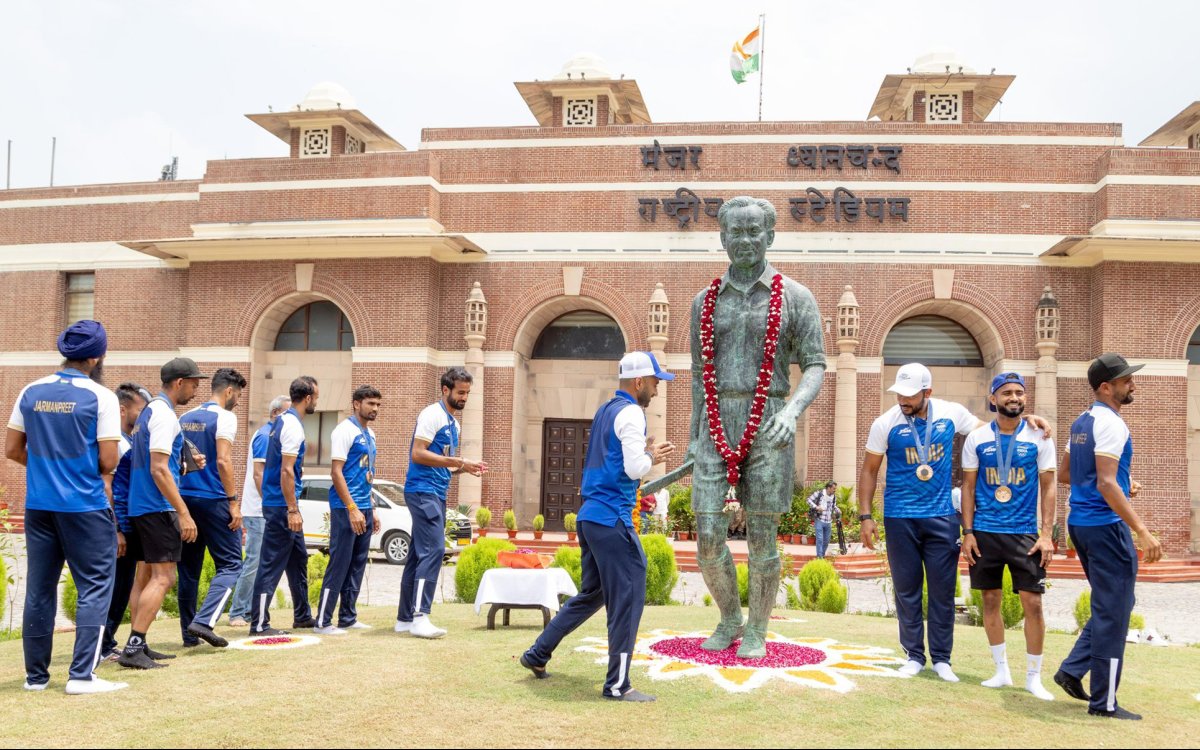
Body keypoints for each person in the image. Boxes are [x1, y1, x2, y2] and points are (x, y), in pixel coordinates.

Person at [641, 196, 826, 660]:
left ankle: (758, 628)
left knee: (763, 537)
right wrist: (693, 436)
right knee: (707, 536)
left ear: (770, 235)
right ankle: (728, 618)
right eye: (736, 232)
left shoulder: (796, 297)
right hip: (716, 424)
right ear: (722, 237)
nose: (745, 240)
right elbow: (701, 375)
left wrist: (792, 412)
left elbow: (817, 365)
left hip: (769, 422)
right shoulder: (703, 302)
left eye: (753, 231)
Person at [857, 362, 1050, 682]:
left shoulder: (951, 413)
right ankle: (914, 656)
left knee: (943, 590)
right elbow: (869, 470)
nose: (902, 400)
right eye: (899, 394)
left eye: (909, 394)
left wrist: (1025, 421)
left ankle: (942, 659)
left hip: (942, 516)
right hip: (899, 516)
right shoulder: (885, 423)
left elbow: (993, 430)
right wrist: (866, 516)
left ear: (927, 392)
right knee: (907, 590)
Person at [520, 352, 674, 701]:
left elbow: (616, 458)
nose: (657, 389)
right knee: (628, 598)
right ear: (638, 382)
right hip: (612, 517)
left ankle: (537, 653)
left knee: (594, 594)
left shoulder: (607, 409)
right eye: (654, 382)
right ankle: (618, 685)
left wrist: (643, 452)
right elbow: (635, 468)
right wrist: (652, 457)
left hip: (590, 515)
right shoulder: (633, 412)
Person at [5, 320, 128, 694]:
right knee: (94, 586)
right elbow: (109, 461)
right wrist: (73, 470)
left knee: (40, 589)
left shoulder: (30, 390)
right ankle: (81, 676)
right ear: (98, 356)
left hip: (39, 505)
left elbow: (12, 449)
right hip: (84, 506)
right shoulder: (101, 397)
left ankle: (35, 678)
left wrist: (48, 467)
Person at [1054, 354, 1162, 720]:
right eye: (1126, 380)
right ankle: (1104, 703)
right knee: (1114, 613)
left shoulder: (1082, 422)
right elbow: (1103, 481)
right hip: (1103, 526)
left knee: (1112, 607)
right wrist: (1142, 531)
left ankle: (1072, 670)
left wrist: (1121, 483)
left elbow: (1069, 474)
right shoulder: (1113, 424)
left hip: (1081, 524)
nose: (1132, 384)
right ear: (1106, 387)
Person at [960, 372, 1057, 700]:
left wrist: (1046, 534)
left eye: (1019, 392)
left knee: (1033, 603)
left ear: (1025, 398)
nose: (1013, 398)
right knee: (990, 600)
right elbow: (969, 488)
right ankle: (1001, 670)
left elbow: (1049, 487)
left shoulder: (1039, 436)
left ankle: (1034, 677)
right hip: (985, 533)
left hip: (1024, 533)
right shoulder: (977, 438)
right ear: (993, 399)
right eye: (1006, 393)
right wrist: (968, 533)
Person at [119, 357, 208, 670]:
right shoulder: (165, 415)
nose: (196, 390)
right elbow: (158, 468)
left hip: (141, 506)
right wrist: (183, 513)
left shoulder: (147, 412)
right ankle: (133, 647)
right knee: (164, 577)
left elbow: (159, 463)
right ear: (179, 382)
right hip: (158, 507)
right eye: (195, 383)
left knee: (144, 576)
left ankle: (138, 643)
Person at [397, 368, 487, 639]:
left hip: (436, 491)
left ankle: (404, 618)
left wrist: (463, 469)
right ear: (445, 389)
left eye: (468, 393)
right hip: (422, 492)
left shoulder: (453, 424)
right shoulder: (432, 414)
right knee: (434, 550)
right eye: (461, 392)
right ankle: (420, 616)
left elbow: (442, 463)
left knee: (417, 555)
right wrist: (460, 461)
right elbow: (418, 453)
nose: (464, 397)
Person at [176, 368, 246, 648]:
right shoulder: (226, 417)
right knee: (231, 564)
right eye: (238, 395)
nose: (238, 401)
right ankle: (204, 622)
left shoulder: (184, 417)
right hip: (215, 498)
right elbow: (224, 460)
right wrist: (233, 501)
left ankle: (188, 635)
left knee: (189, 570)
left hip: (186, 499)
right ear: (229, 391)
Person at [250, 376, 319, 635]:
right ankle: (259, 624)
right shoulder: (292, 426)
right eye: (316, 397)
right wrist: (292, 509)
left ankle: (302, 615)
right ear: (308, 398)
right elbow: (287, 472)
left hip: (281, 503)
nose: (316, 402)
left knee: (298, 559)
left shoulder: (281, 422)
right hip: (281, 506)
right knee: (270, 563)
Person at [316, 385, 382, 635]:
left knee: (357, 564)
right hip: (346, 509)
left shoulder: (370, 434)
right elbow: (336, 473)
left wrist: (371, 508)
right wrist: (352, 508)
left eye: (377, 404)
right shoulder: (344, 430)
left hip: (364, 507)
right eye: (370, 404)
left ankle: (348, 617)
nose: (374, 409)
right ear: (356, 404)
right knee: (340, 563)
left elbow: (367, 475)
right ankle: (323, 621)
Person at [101, 383, 155, 662]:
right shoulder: (117, 443)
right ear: (123, 409)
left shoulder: (130, 440)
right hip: (119, 525)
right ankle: (102, 645)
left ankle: (108, 642)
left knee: (124, 586)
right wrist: (117, 530)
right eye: (140, 409)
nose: (144, 415)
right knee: (115, 586)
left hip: (130, 524)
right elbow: (108, 487)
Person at [227, 395, 290, 627]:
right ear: (275, 414)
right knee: (254, 561)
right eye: (286, 413)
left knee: (264, 562)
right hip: (258, 511)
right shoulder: (265, 435)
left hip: (266, 510)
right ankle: (238, 612)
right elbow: (258, 474)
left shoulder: (275, 435)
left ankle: (253, 610)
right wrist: (270, 505)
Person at [807, 481, 837, 559]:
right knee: (820, 539)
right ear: (829, 488)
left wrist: (838, 510)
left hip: (828, 522)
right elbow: (808, 500)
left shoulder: (833, 496)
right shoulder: (819, 494)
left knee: (826, 541)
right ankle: (819, 557)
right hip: (819, 520)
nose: (835, 490)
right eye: (833, 488)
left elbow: (833, 506)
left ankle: (822, 555)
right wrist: (816, 507)